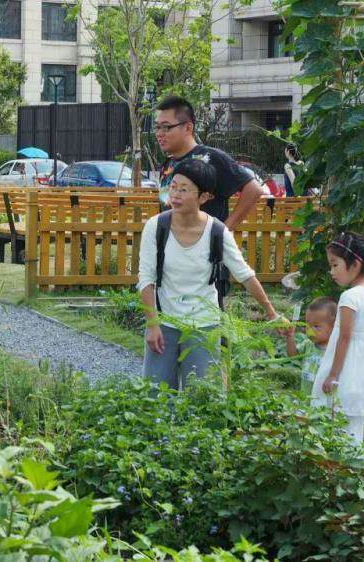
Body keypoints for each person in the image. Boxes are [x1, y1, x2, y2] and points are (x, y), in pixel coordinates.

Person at [138, 159, 281, 388]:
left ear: (204, 198)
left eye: (184, 190)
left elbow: (244, 274)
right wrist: (152, 324)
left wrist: (271, 312)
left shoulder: (217, 231)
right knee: (156, 397)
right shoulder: (156, 227)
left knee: (204, 397)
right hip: (164, 322)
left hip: (204, 326)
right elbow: (146, 280)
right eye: (173, 186)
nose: (175, 194)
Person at [312, 232, 364, 445]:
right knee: (352, 421)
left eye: (335, 265)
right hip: (361, 370)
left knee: (332, 414)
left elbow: (345, 337)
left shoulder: (349, 297)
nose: (331, 271)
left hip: (345, 368)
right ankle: (353, 463)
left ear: (355, 264)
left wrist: (333, 374)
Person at [154, 96, 265, 229]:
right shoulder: (168, 164)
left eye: (166, 127)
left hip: (204, 247)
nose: (159, 133)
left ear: (188, 128)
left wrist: (225, 229)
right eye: (157, 127)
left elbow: (254, 189)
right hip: (172, 245)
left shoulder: (211, 158)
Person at [285, 297, 336, 394]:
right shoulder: (308, 344)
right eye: (308, 325)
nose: (310, 330)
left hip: (323, 398)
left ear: (334, 327)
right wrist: (290, 337)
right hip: (305, 396)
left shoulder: (334, 350)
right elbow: (292, 355)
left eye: (316, 326)